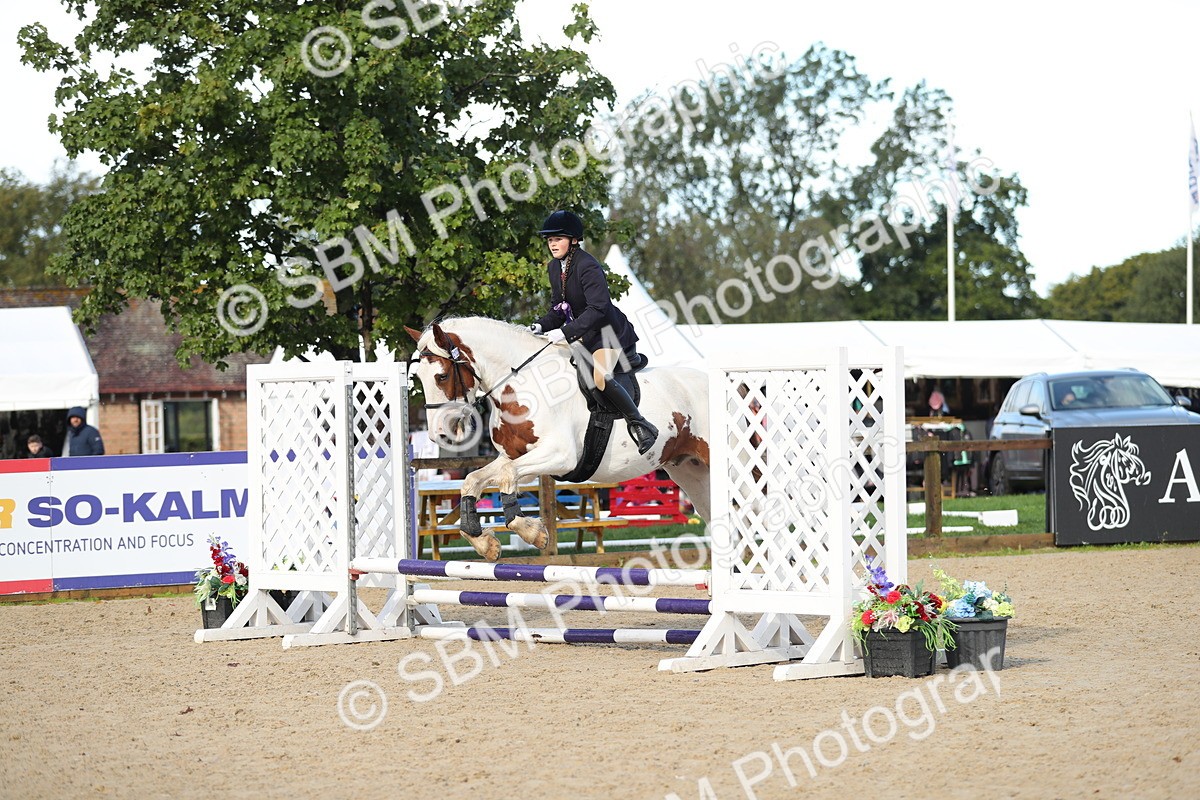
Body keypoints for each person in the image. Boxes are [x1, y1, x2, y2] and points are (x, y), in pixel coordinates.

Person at [528, 210, 658, 454]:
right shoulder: (554, 267)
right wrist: (540, 325)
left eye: (558, 239)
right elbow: (558, 309)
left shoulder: (588, 266)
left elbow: (599, 309)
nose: (552, 244)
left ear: (574, 240)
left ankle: (640, 424)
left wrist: (565, 332)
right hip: (587, 336)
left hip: (611, 335)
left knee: (599, 376)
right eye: (549, 240)